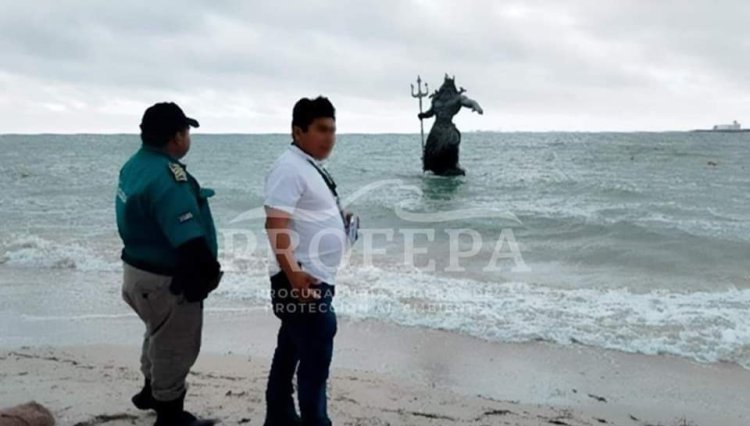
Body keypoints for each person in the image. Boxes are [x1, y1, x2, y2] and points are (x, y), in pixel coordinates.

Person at [115, 102, 222, 426]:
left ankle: (151, 389)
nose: (188, 137)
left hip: (137, 273)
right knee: (176, 347)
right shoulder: (167, 178)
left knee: (157, 333)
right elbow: (187, 237)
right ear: (176, 137)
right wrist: (207, 271)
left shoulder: (134, 166)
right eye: (186, 130)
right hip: (165, 280)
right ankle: (170, 415)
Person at [263, 96, 356, 426]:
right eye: (321, 129)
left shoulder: (309, 166)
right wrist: (295, 276)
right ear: (298, 131)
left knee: (290, 348)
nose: (329, 137)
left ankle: (278, 416)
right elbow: (275, 224)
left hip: (310, 276)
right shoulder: (288, 168)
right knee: (316, 357)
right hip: (302, 279)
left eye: (332, 129)